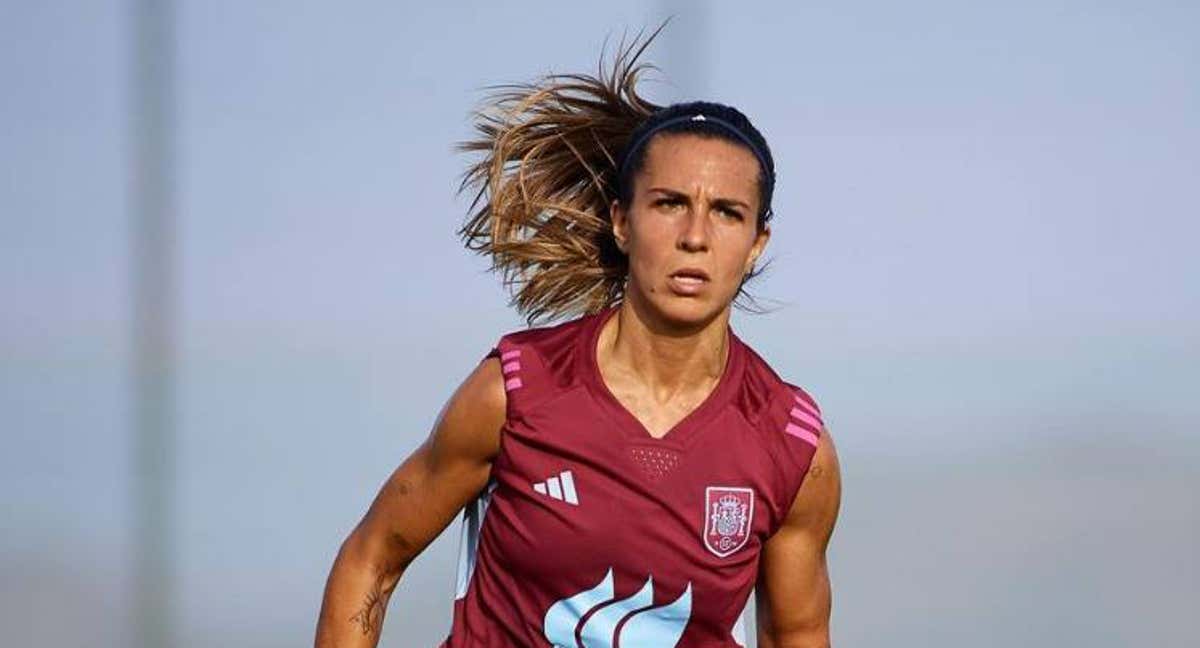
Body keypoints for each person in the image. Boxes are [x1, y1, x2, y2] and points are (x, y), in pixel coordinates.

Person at [315, 32, 841, 648]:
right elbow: (371, 560)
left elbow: (798, 633)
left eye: (727, 212)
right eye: (670, 204)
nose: (696, 236)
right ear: (622, 221)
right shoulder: (517, 391)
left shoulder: (790, 445)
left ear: (756, 244)